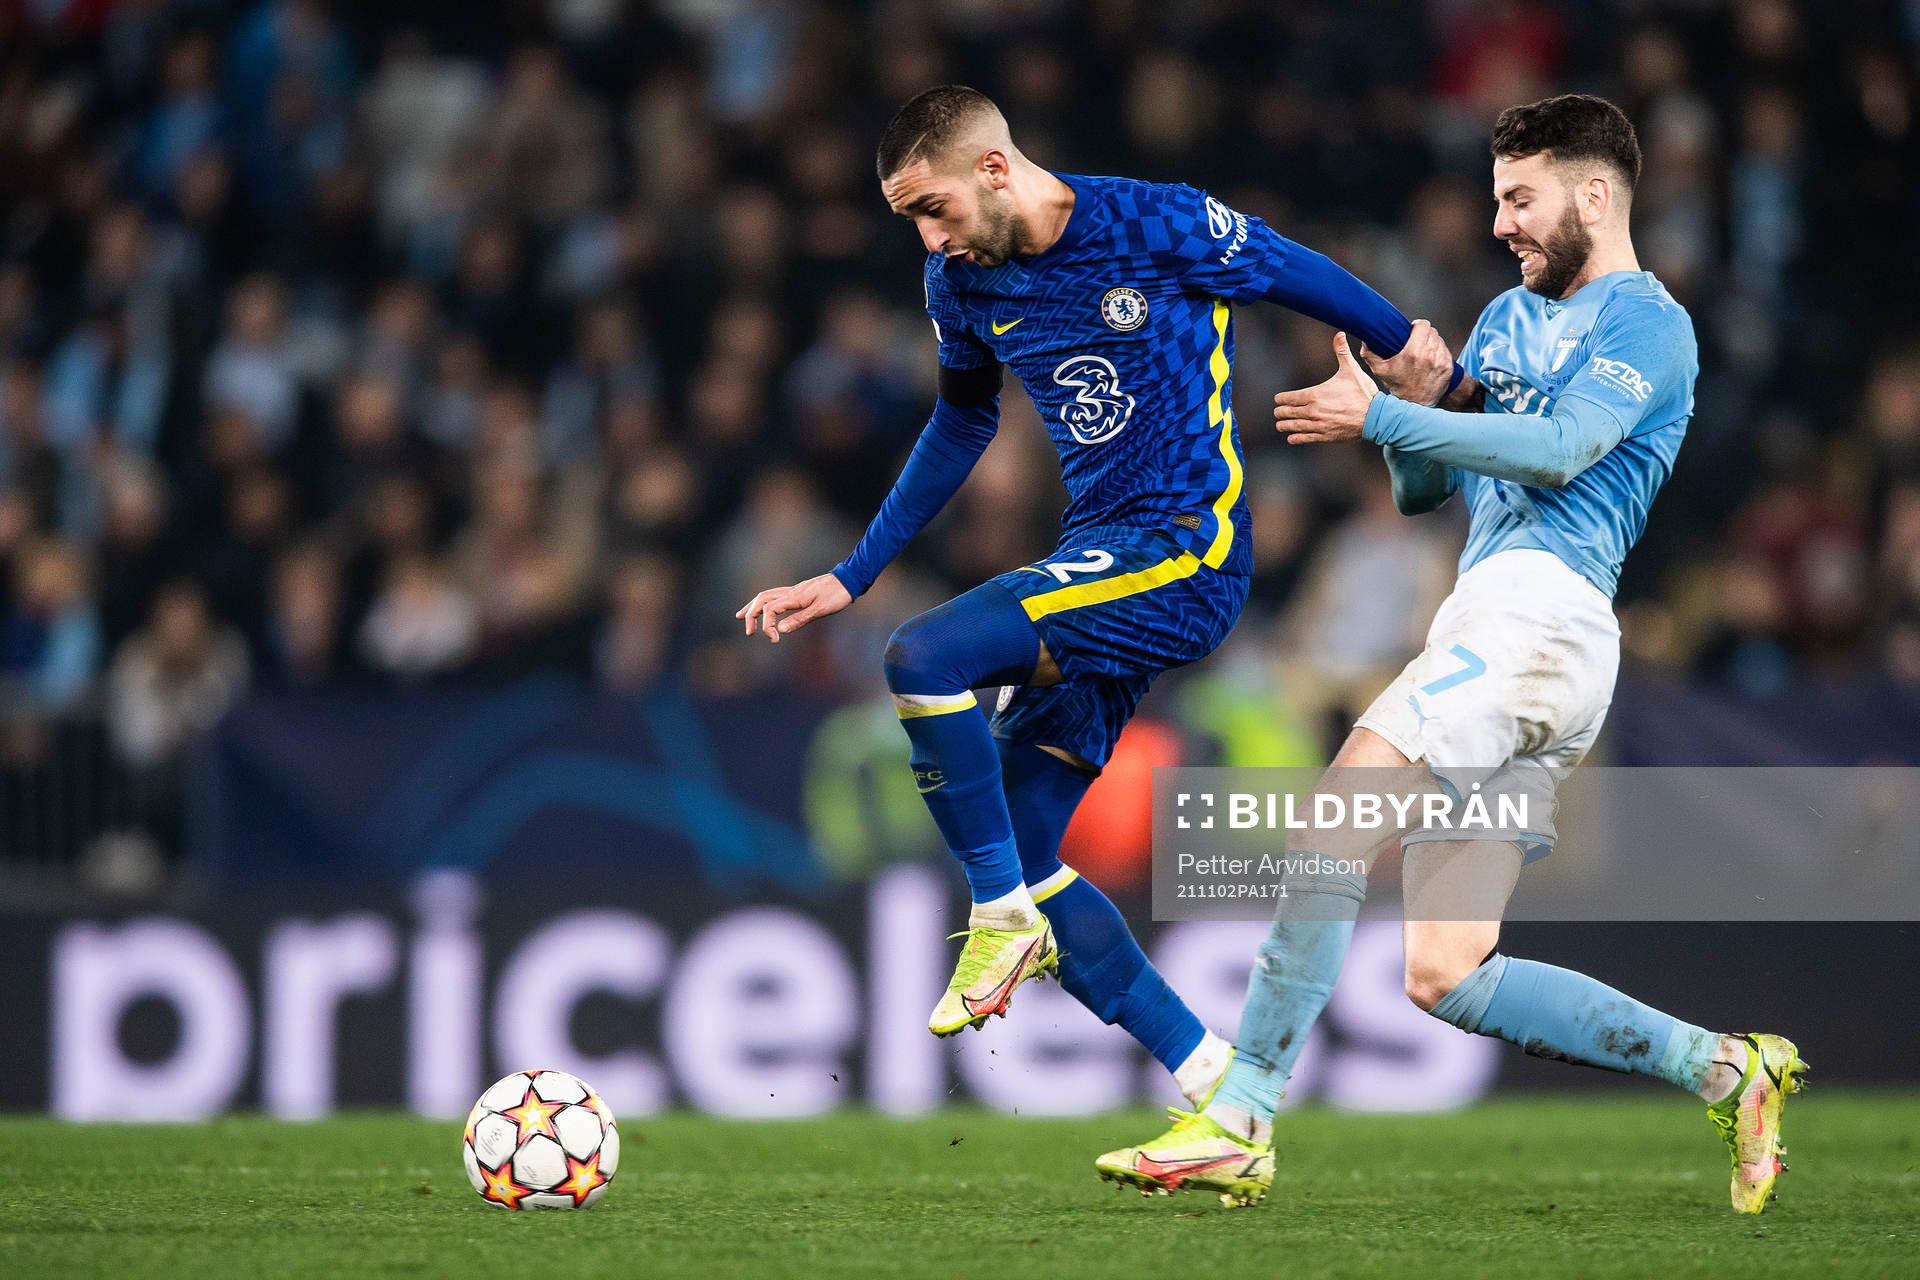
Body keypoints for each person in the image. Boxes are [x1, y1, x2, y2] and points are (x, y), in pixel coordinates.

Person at [1096, 94, 1804, 1215]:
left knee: (1336, 811)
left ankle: (1240, 1113)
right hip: (1511, 630)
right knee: (1447, 970)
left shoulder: (1649, 324)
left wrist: (1385, 421)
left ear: (1594, 192)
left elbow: (1565, 449)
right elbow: (1434, 490)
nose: (1502, 224)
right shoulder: (1506, 317)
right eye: (1495, 200)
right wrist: (1414, 400)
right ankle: (1726, 1066)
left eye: (1521, 198)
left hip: (1541, 616)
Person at [738, 85, 1440, 1106]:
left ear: (992, 168)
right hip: (1102, 556)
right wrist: (850, 573)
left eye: (931, 209)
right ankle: (1225, 1094)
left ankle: (1000, 923)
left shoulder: (1149, 221)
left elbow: (1286, 266)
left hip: (1187, 550)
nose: (929, 241)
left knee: (922, 657)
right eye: (909, 222)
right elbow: (962, 424)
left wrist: (1405, 346)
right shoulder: (962, 288)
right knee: (1021, 844)